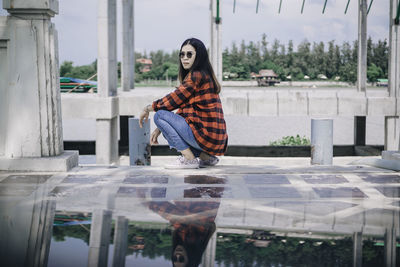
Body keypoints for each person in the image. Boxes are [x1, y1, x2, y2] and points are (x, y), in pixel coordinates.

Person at [139, 38, 228, 169]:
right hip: (215, 140)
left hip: (206, 136)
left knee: (159, 116)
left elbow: (173, 100)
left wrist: (147, 108)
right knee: (165, 126)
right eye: (182, 54)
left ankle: (189, 159)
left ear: (199, 56)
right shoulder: (204, 75)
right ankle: (206, 157)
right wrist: (160, 128)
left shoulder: (196, 76)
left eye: (189, 54)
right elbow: (184, 108)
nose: (185, 58)